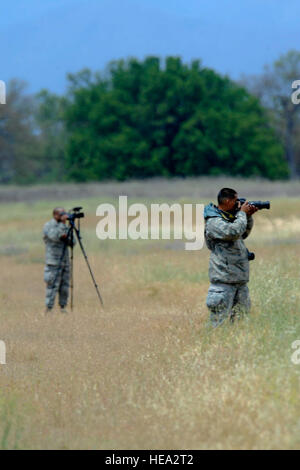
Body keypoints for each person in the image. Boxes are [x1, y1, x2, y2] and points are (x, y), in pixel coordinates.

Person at [204, 188, 258, 327]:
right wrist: (242, 214)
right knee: (217, 324)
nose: (237, 204)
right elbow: (233, 232)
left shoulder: (230, 217)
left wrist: (248, 216)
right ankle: (211, 347)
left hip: (239, 281)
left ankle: (236, 348)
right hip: (223, 283)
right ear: (227, 201)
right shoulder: (214, 221)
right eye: (235, 201)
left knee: (241, 324)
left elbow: (242, 233)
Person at [43, 207, 76, 314]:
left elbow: (73, 242)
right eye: (61, 214)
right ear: (55, 215)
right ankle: (49, 308)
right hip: (53, 261)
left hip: (65, 261)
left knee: (65, 286)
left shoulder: (65, 226)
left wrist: (70, 228)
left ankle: (63, 307)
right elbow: (54, 236)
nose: (64, 216)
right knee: (52, 285)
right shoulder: (49, 226)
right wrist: (62, 224)